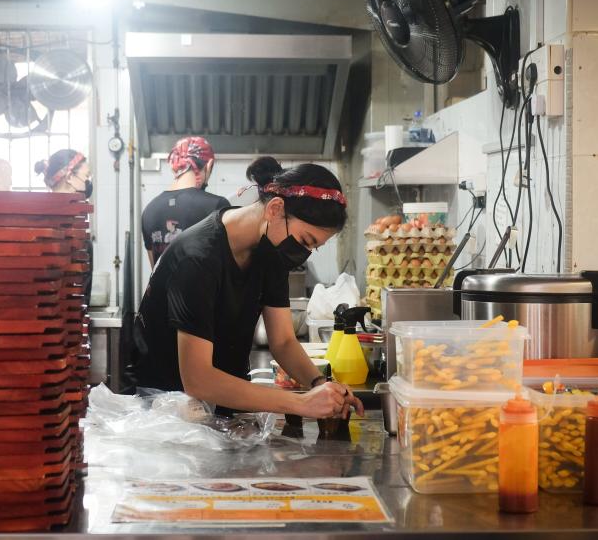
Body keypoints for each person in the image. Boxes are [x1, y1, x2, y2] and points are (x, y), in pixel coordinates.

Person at [132, 156, 363, 419]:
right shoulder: (197, 257)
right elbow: (198, 380)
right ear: (275, 209)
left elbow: (284, 341)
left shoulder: (270, 252)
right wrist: (301, 404)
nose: (304, 253)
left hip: (221, 407)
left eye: (313, 247)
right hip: (166, 413)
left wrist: (320, 385)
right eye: (305, 240)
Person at [141, 136, 229, 266]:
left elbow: (155, 269)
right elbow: (228, 265)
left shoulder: (149, 210)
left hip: (162, 287)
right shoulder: (217, 206)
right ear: (209, 165)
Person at [35, 149, 94, 302]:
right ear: (69, 177)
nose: (88, 183)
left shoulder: (35, 222)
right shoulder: (76, 236)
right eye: (86, 176)